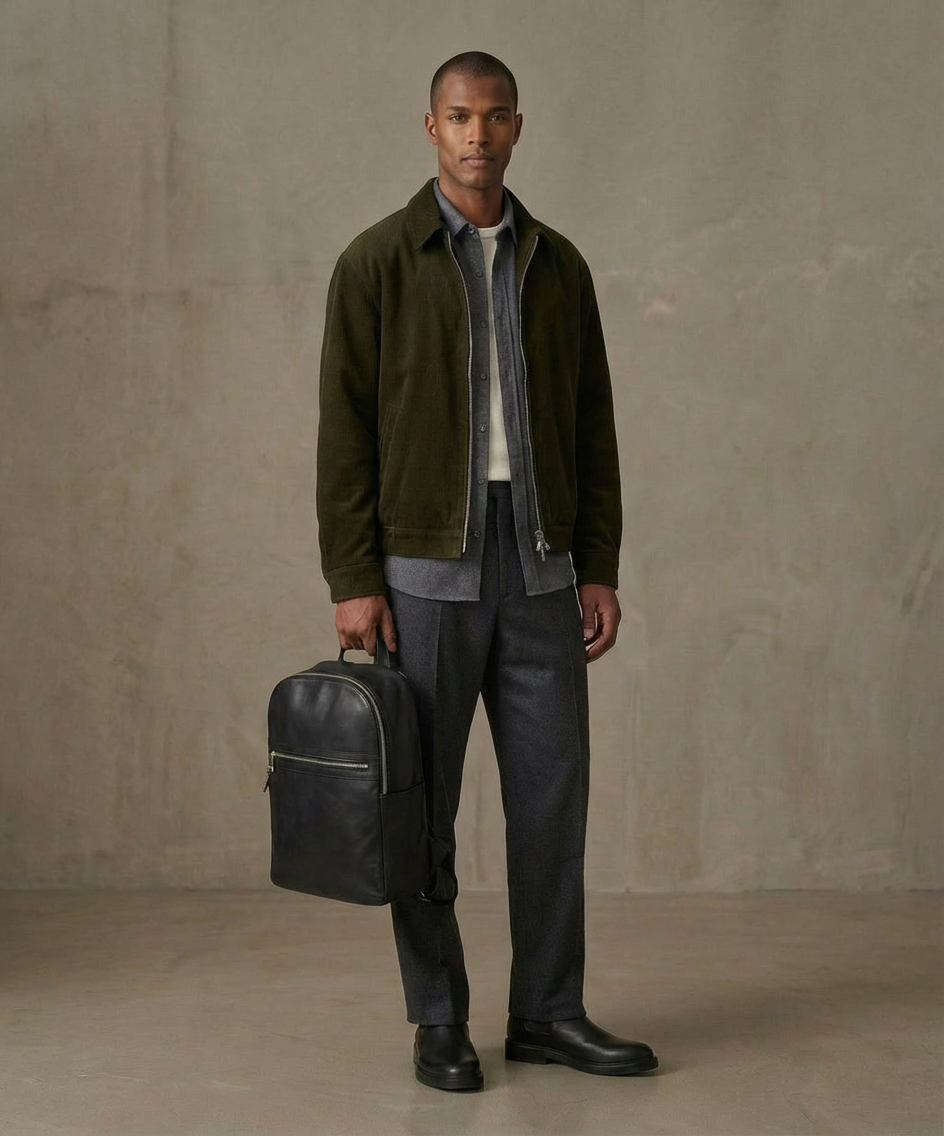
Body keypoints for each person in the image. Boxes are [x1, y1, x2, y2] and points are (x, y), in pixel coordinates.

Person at [316, 50, 658, 1092]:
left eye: (494, 117)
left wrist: (594, 559)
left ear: (518, 127)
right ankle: (438, 1019)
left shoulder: (558, 265)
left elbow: (591, 422)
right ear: (430, 128)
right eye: (459, 117)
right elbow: (344, 429)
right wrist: (353, 573)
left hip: (543, 564)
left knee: (551, 802)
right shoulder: (376, 262)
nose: (477, 135)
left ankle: (549, 1010)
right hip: (422, 573)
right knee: (418, 810)